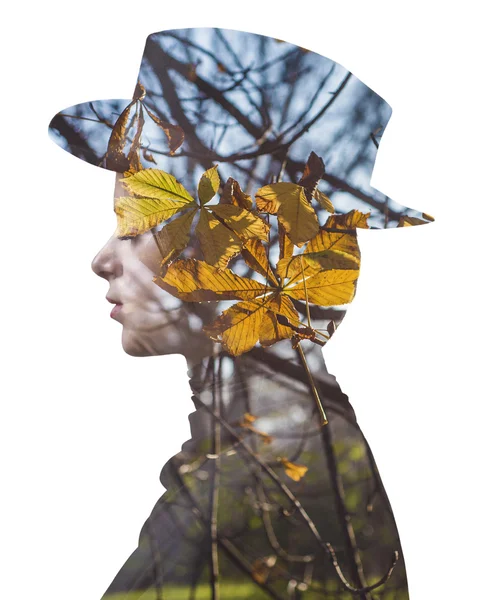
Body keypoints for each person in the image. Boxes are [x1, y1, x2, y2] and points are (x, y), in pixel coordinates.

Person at [49, 27, 433, 599]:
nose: (101, 260)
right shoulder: (313, 438)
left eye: (135, 226)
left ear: (233, 250)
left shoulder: (239, 496)